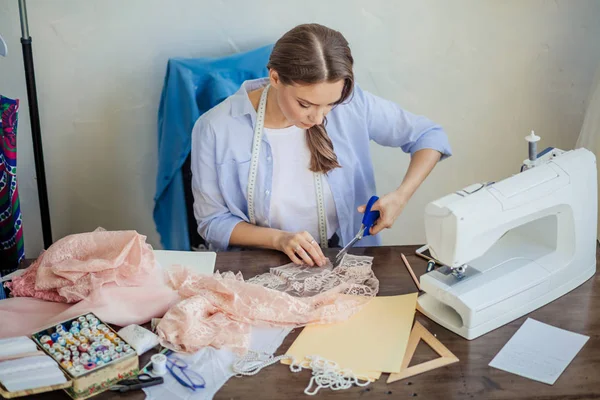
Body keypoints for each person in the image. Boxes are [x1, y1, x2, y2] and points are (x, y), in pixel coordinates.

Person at [190, 23, 452, 267]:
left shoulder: (353, 104)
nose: (318, 119)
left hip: (346, 257)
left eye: (330, 104)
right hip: (260, 265)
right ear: (275, 78)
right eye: (305, 104)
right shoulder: (215, 128)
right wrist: (279, 239)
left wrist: (401, 196)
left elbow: (428, 136)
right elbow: (213, 222)